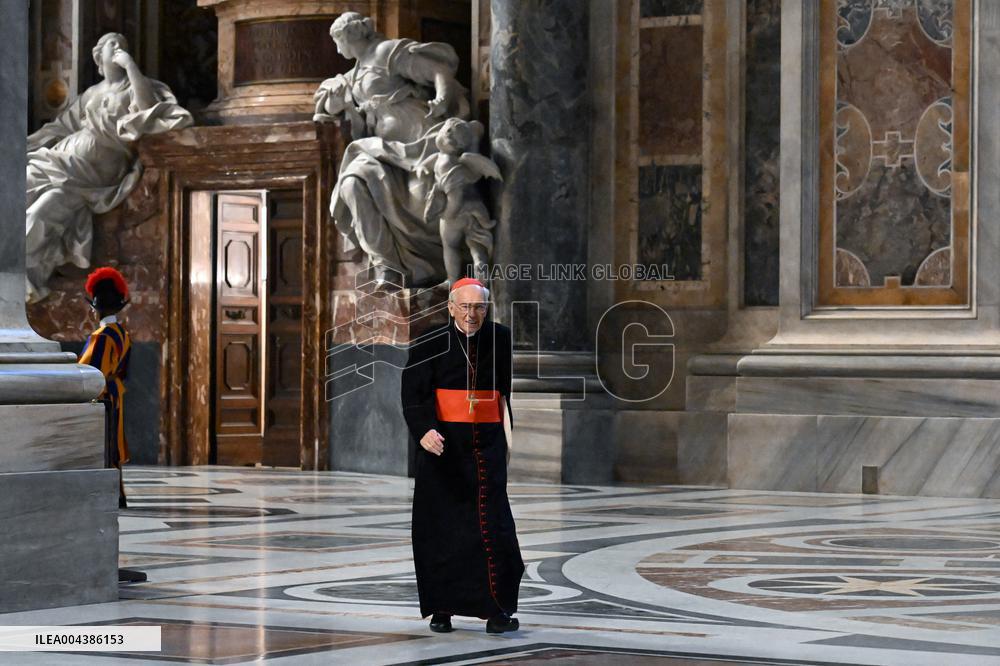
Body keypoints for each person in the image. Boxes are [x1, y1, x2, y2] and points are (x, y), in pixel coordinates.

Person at [26, 32, 192, 303]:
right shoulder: (92, 93)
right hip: (65, 159)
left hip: (99, 169)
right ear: (98, 55)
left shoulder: (136, 85)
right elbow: (60, 127)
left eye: (122, 44)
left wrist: (131, 67)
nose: (118, 47)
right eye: (111, 43)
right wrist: (27, 145)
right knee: (33, 201)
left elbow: (147, 109)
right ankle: (23, 274)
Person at [401, 277, 523, 633]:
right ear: (451, 307)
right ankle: (442, 609)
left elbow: (504, 391)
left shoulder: (499, 338)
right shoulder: (430, 340)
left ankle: (496, 611)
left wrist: (506, 437)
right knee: (442, 529)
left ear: (487, 309)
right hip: (443, 447)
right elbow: (413, 392)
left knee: (494, 528)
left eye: (479, 307)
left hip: (486, 447)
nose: (472, 314)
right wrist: (424, 431)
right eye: (465, 306)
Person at [319, 12, 470, 288]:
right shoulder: (353, 75)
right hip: (381, 149)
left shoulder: (386, 52)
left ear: (349, 37)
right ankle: (386, 266)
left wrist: (442, 99)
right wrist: (339, 103)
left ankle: (440, 265)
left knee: (426, 201)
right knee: (351, 184)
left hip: (418, 138)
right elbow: (335, 110)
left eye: (338, 42)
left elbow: (439, 71)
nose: (338, 50)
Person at [79, 267, 132, 509]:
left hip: (102, 396)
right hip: (116, 392)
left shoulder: (101, 336)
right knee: (113, 444)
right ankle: (117, 492)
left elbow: (89, 372)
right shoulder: (123, 333)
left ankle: (107, 493)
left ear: (96, 308)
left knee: (103, 444)